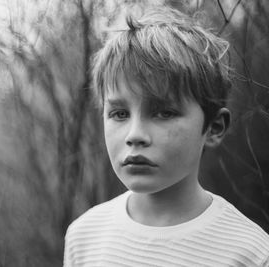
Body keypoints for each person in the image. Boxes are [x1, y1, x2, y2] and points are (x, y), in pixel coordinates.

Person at [63, 5, 269, 267]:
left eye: (164, 113)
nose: (135, 135)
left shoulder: (250, 253)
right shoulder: (84, 236)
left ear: (214, 127)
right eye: (119, 114)